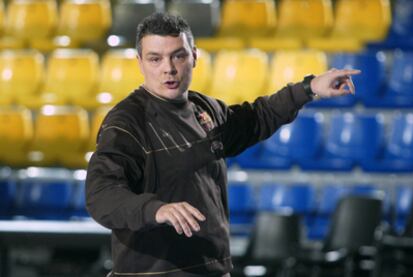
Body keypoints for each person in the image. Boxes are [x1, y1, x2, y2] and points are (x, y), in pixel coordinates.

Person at [86, 12, 360, 277]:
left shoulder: (206, 110)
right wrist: (155, 209)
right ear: (140, 63)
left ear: (194, 56)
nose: (168, 68)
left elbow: (257, 117)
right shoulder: (126, 122)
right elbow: (102, 194)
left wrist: (308, 88)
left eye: (178, 56)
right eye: (155, 59)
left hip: (211, 270)